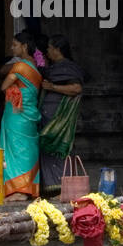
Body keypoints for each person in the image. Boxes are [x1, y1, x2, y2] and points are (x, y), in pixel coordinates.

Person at [38, 35, 84, 195]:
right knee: (47, 149)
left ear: (57, 49)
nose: (48, 51)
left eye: (50, 48)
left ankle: (61, 189)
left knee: (57, 148)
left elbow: (76, 88)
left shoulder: (67, 67)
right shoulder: (54, 67)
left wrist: (52, 87)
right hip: (48, 117)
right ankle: (52, 189)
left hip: (58, 119)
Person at [0, 30, 42, 199]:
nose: (11, 48)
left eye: (15, 45)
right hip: (30, 114)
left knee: (15, 149)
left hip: (17, 115)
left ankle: (18, 190)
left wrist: (13, 89)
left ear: (24, 47)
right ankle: (29, 188)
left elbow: (4, 87)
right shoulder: (36, 69)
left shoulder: (19, 66)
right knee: (28, 148)